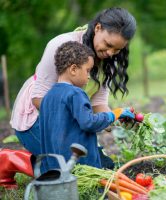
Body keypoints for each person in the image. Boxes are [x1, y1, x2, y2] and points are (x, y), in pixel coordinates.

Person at [9, 7, 136, 156]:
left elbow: (98, 104)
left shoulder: (108, 61)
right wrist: (80, 119)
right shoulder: (61, 45)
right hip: (37, 119)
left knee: (100, 165)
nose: (110, 53)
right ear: (98, 28)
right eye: (108, 45)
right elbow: (38, 98)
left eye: (117, 50)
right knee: (75, 168)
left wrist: (115, 118)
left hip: (72, 121)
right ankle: (18, 161)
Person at [40, 41, 134, 172]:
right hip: (81, 165)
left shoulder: (48, 97)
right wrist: (114, 114)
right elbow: (88, 123)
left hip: (55, 167)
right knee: (95, 189)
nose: (89, 77)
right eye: (88, 70)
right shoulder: (76, 94)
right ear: (73, 69)